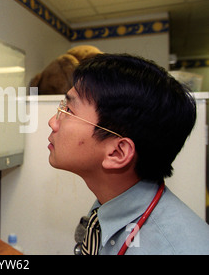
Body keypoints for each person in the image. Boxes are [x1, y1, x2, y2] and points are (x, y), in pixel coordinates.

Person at [47, 53, 209, 255]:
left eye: (69, 110)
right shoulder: (109, 205)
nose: (53, 122)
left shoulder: (179, 249)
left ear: (117, 152)